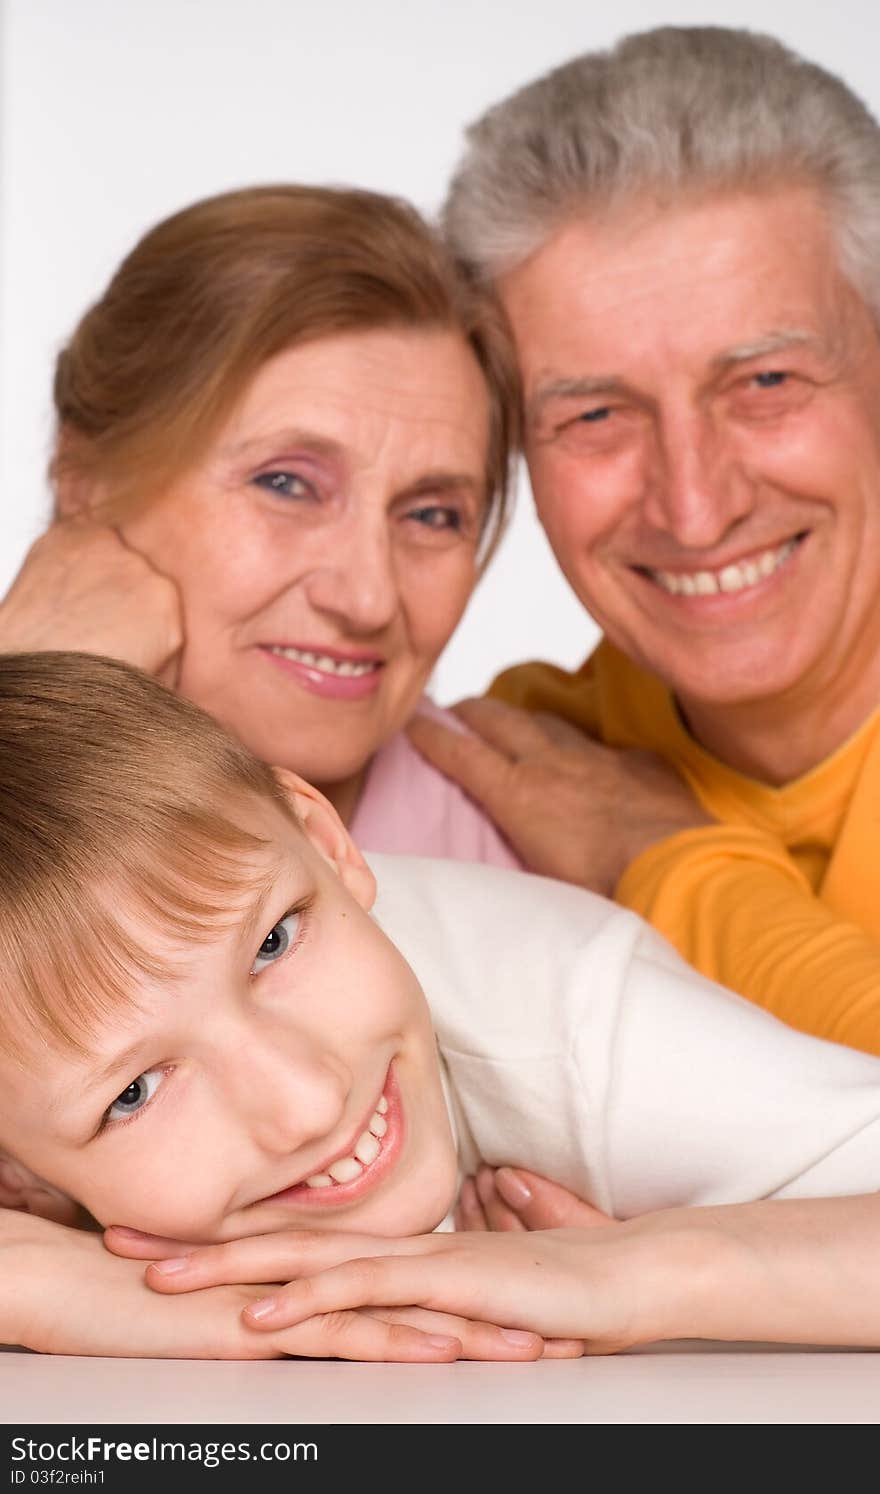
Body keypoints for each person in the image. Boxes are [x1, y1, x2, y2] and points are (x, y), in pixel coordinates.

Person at [9, 651, 880, 1361]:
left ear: (324, 842)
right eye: (135, 1093)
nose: (305, 1105)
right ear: (18, 1177)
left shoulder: (569, 1023)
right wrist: (54, 1292)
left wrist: (639, 1273)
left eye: (273, 944)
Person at [406, 25, 880, 1060]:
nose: (694, 507)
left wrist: (665, 859)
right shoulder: (513, 778)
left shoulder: (590, 826)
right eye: (594, 417)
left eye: (764, 384)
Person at [0, 182, 526, 867]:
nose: (369, 599)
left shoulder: (546, 877)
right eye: (286, 484)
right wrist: (28, 708)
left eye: (432, 515)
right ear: (86, 480)